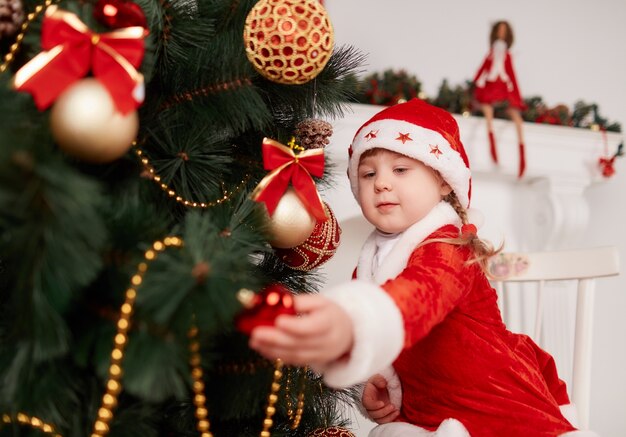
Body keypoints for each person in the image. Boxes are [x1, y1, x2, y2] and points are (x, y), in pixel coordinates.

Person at [249, 98, 592, 436]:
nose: (381, 183)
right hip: (433, 414)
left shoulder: (446, 246)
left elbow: (419, 296)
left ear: (443, 181)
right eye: (368, 174)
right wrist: (380, 380)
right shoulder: (373, 261)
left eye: (400, 169)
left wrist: (350, 323)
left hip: (497, 408)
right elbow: (392, 337)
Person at [473, 20, 527, 178]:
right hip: (490, 86)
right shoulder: (490, 54)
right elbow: (482, 69)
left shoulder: (508, 56)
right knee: (487, 111)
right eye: (499, 31)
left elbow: (512, 75)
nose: (501, 34)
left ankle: (522, 155)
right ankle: (493, 148)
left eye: (504, 31)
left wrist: (517, 95)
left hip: (503, 88)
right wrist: (475, 84)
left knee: (515, 116)